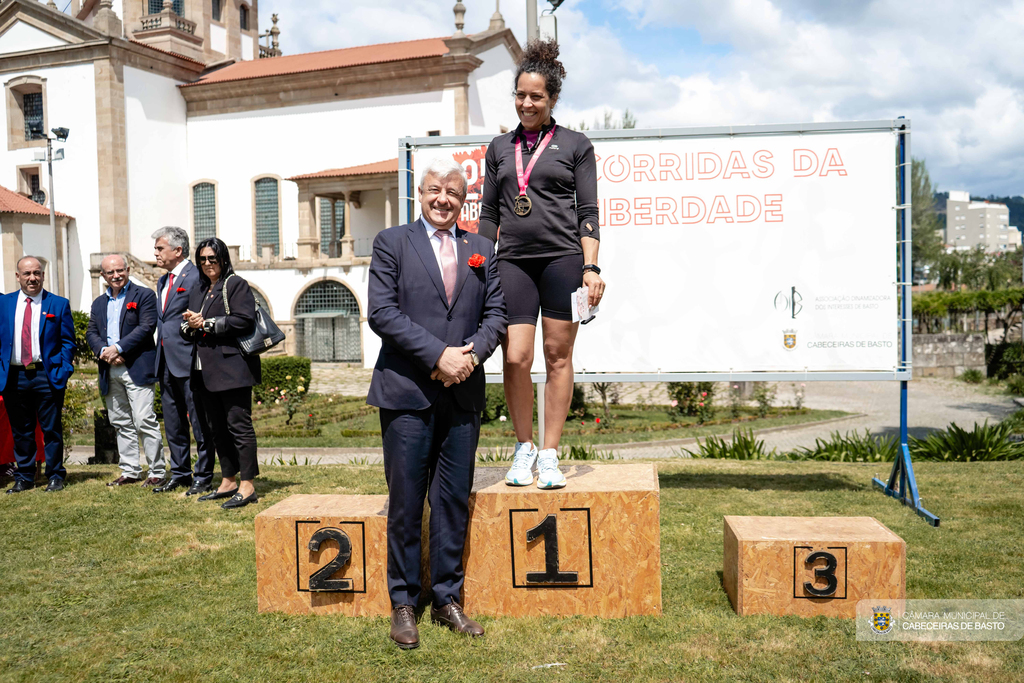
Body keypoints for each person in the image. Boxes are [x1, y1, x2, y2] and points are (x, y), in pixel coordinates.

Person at [367, 158, 507, 649]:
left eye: (452, 191)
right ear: (419, 195)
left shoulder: (480, 249)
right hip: (406, 393)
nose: (442, 199)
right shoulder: (392, 243)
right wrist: (437, 357)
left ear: (463, 198)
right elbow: (382, 313)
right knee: (405, 503)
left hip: (463, 393)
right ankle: (403, 603)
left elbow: (497, 314)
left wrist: (468, 358)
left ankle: (447, 598)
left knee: (451, 502)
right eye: (433, 190)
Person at [478, 39, 606, 489]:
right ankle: (523, 447)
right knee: (515, 356)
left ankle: (549, 454)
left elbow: (588, 212)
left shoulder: (575, 144)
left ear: (552, 99)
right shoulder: (498, 147)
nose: (526, 103)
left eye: (536, 96)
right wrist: (477, 264)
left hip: (563, 261)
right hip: (512, 261)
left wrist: (591, 268)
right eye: (520, 95)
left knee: (557, 355)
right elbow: (489, 214)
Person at [180, 237, 261, 510]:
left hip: (232, 369)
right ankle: (228, 480)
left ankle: (248, 485)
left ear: (223, 259)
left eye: (212, 259)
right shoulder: (198, 288)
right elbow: (187, 325)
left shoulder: (235, 285)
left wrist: (207, 323)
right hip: (203, 370)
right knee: (215, 429)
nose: (207, 264)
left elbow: (244, 319)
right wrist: (190, 325)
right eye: (202, 259)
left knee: (239, 427)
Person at [0, 256, 76, 493]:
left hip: (46, 374)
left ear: (43, 275)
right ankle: (25, 476)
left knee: (51, 429)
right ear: (17, 276)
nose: (32, 278)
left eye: (37, 273)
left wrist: (63, 369)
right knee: (20, 429)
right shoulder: (4, 304)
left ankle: (55, 475)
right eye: (27, 274)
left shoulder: (58, 304)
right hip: (14, 376)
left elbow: (68, 342)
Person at [86, 254, 163, 487]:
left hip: (137, 366)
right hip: (109, 369)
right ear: (103, 275)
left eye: (120, 270)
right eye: (110, 272)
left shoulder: (144, 295)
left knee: (143, 420)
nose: (116, 275)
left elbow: (147, 327)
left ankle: (157, 471)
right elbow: (91, 332)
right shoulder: (99, 303)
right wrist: (104, 351)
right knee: (120, 422)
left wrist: (118, 348)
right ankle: (130, 471)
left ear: (128, 269)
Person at [151, 227, 214, 496]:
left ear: (178, 251)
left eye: (160, 248)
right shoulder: (163, 281)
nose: (155, 253)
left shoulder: (195, 277)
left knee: (199, 421)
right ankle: (180, 473)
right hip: (165, 360)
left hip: (190, 359)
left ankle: (203, 474)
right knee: (174, 422)